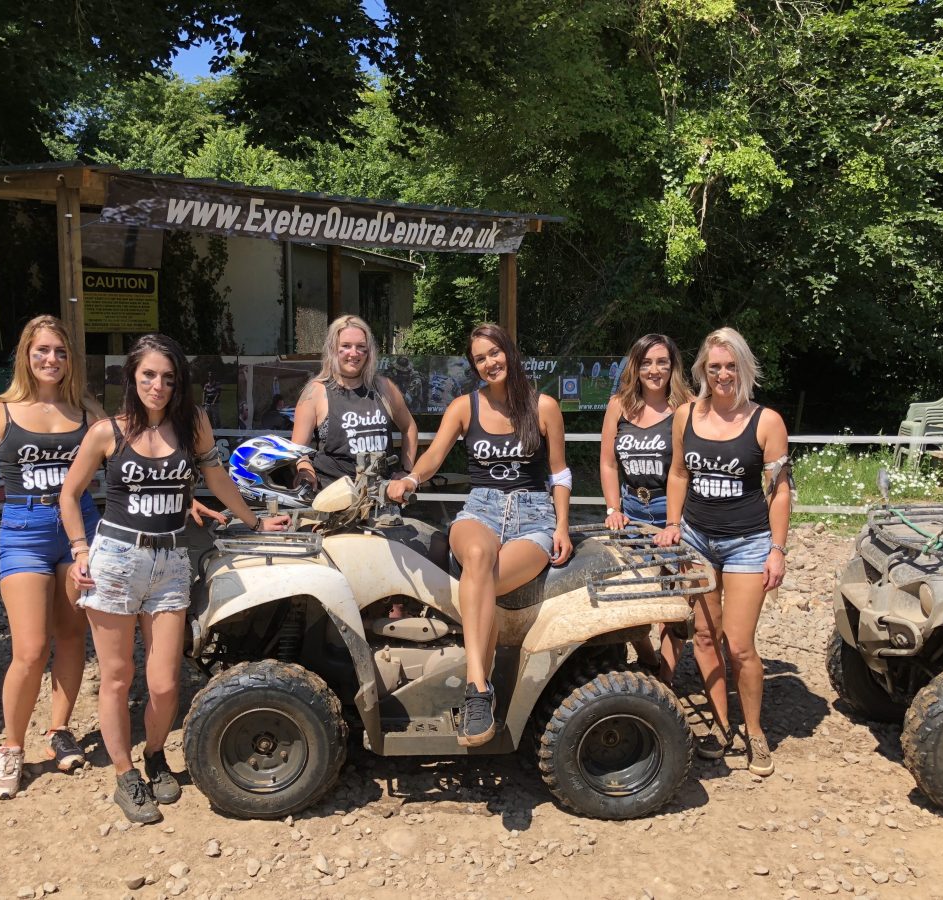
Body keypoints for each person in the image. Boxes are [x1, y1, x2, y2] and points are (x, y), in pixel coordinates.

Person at [60, 333, 288, 824]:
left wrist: (253, 522)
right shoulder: (107, 432)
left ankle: (155, 753)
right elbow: (69, 493)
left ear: (178, 382)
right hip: (116, 560)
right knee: (117, 679)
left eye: (167, 377)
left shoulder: (193, 426)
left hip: (170, 562)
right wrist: (79, 549)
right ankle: (124, 774)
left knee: (164, 684)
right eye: (148, 375)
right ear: (132, 378)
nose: (157, 386)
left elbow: (218, 479)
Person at [386, 323, 573, 746]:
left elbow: (559, 472)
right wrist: (412, 480)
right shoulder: (464, 407)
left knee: (483, 582)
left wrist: (562, 525)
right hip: (481, 508)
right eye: (480, 358)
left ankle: (478, 692)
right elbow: (434, 456)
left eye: (495, 353)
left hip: (533, 515)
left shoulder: (543, 406)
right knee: (477, 557)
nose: (490, 363)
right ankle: (479, 689)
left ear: (509, 351)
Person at [0, 315, 105, 800]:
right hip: (23, 530)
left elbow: (130, 459)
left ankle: (59, 730)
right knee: (29, 649)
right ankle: (11, 745)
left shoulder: (86, 408)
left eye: (60, 352)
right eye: (42, 350)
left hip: (80, 529)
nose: (51, 360)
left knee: (71, 637)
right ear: (26, 355)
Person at [654, 327, 791, 777]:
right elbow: (677, 473)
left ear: (744, 369)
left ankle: (755, 731)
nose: (722, 374)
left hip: (748, 543)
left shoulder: (766, 421)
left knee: (740, 645)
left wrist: (777, 549)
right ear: (702, 370)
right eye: (714, 367)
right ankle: (721, 725)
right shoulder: (686, 416)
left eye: (731, 366)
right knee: (705, 637)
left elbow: (781, 490)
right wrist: (673, 524)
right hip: (696, 538)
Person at [599, 334, 693, 681]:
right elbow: (608, 463)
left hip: (673, 511)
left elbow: (689, 467)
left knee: (674, 598)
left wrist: (678, 520)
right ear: (635, 367)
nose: (655, 370)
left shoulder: (687, 407)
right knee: (631, 598)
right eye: (647, 362)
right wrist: (613, 508)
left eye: (662, 362)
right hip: (630, 510)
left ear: (673, 367)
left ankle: (665, 679)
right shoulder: (618, 406)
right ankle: (650, 660)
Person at [291, 315, 417, 490]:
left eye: (360, 347)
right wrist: (305, 470)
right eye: (346, 346)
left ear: (369, 351)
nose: (353, 353)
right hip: (332, 494)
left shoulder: (383, 387)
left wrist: (406, 471)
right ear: (333, 349)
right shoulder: (316, 392)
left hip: (381, 493)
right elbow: (297, 451)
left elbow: (409, 427)